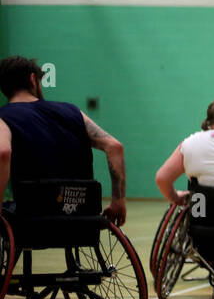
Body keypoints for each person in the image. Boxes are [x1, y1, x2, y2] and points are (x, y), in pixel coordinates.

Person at [0, 55, 128, 226]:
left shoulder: (4, 117)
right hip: (82, 211)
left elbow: (3, 153)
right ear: (32, 79)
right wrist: (118, 201)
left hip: (33, 213)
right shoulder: (72, 111)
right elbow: (114, 146)